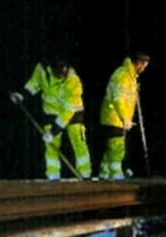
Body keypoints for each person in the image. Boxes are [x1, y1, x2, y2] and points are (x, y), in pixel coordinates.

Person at [10, 57, 92, 180]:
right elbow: (34, 84)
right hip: (50, 111)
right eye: (58, 72)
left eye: (63, 72)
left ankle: (85, 174)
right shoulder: (42, 70)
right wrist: (22, 95)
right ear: (51, 68)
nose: (61, 75)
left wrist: (54, 131)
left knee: (78, 140)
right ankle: (53, 176)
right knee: (51, 144)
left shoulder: (73, 81)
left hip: (73, 112)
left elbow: (67, 112)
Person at [98, 52, 150, 180]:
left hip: (117, 117)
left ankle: (104, 173)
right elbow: (117, 99)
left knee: (111, 147)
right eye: (143, 65)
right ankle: (116, 174)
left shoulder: (131, 77)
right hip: (114, 117)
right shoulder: (123, 76)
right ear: (138, 62)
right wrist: (124, 117)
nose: (144, 69)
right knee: (117, 147)